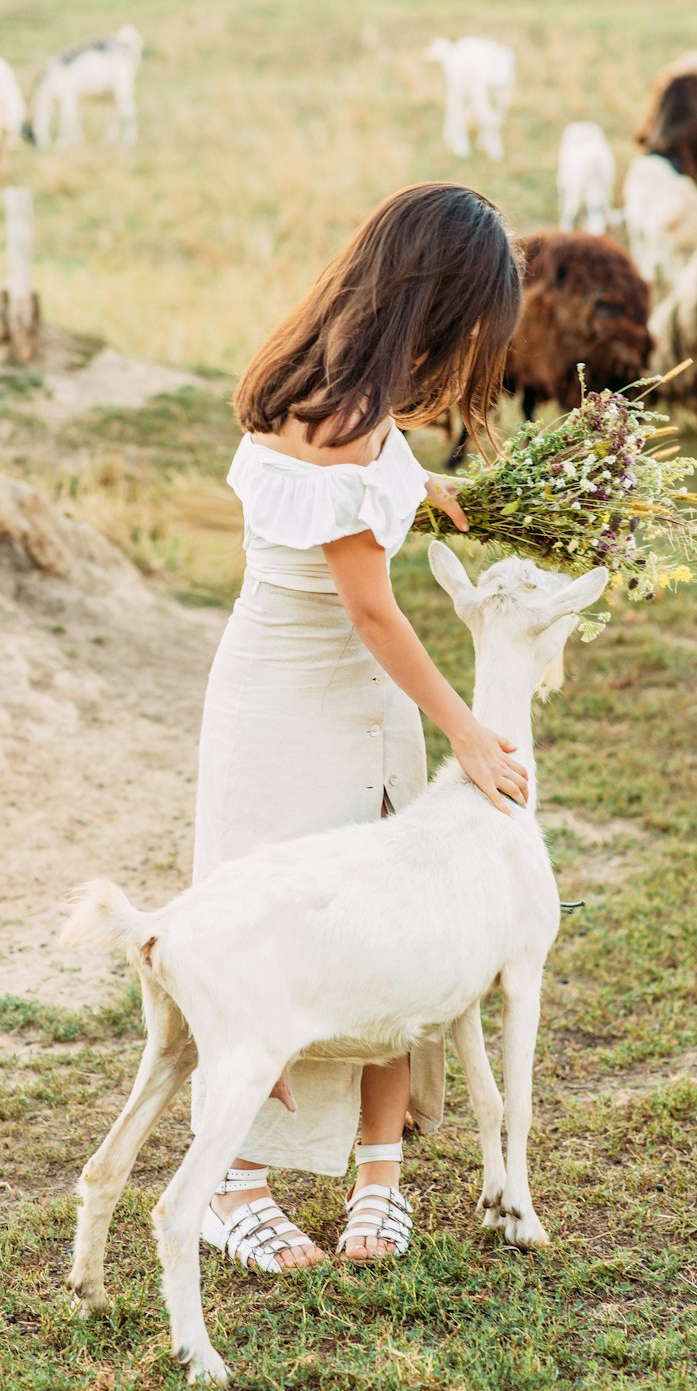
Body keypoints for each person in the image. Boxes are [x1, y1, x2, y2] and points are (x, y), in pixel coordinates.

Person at [192, 181, 528, 1274]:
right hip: (290, 705)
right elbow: (369, 606)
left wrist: (421, 491)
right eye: (473, 323)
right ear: (431, 303)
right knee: (264, 941)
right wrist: (468, 733)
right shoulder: (340, 413)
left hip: (360, 702)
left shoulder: (342, 392)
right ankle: (228, 1182)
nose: (473, 350)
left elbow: (351, 500)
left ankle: (378, 1171)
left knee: (395, 921)